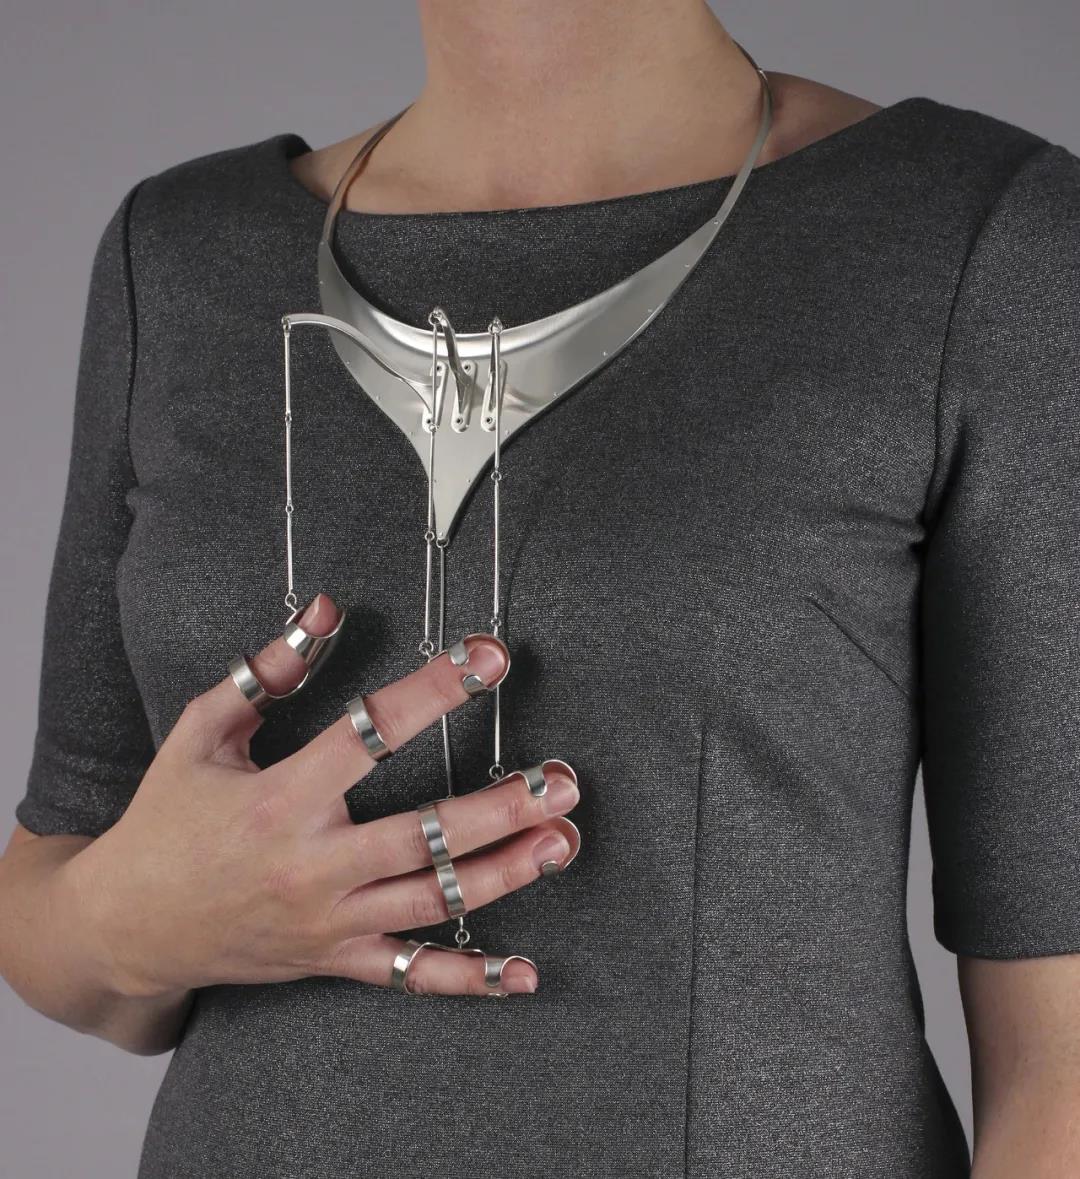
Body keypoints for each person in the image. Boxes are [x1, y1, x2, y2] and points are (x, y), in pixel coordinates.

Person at [2, 2, 1078, 1176]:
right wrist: (145, 917)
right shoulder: (178, 255)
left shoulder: (975, 240)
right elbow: (54, 906)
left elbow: (1061, 1078)